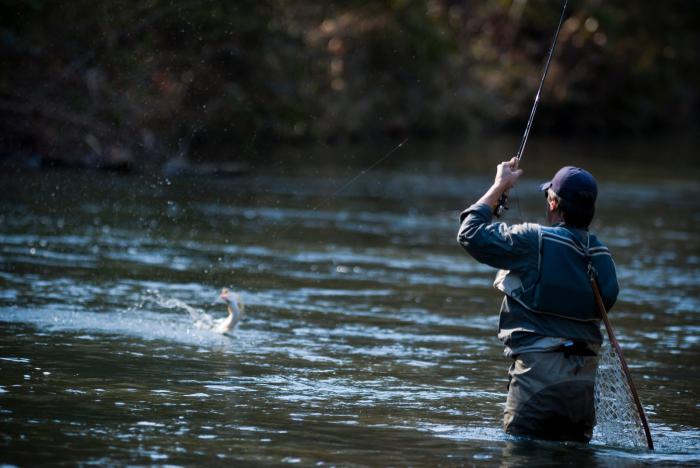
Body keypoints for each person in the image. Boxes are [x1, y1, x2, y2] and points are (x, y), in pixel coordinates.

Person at [457, 158, 619, 443]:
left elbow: (470, 234)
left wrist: (498, 187)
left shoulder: (534, 240)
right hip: (581, 395)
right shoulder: (603, 258)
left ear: (553, 203)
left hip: (536, 391)